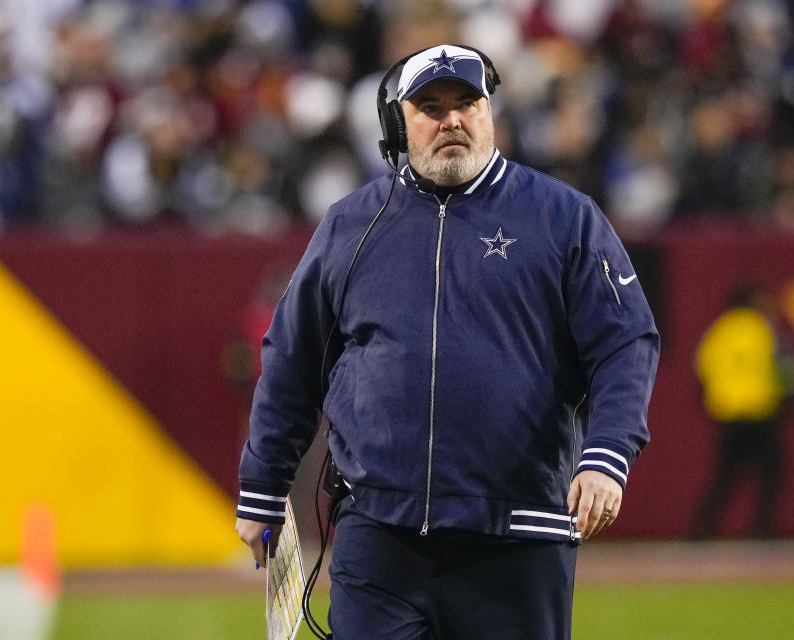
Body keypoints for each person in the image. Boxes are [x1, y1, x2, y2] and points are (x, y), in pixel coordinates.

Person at [235, 44, 659, 640]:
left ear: (490, 113)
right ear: (397, 124)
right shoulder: (350, 224)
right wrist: (263, 485)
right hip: (378, 532)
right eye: (430, 107)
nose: (451, 119)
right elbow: (292, 360)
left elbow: (626, 342)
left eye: (466, 103)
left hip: (517, 534)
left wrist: (607, 455)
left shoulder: (564, 217)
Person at [690, 284, 794, 540]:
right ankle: (763, 531)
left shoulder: (719, 331)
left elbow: (700, 372)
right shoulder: (767, 330)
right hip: (763, 416)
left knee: (723, 478)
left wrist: (714, 405)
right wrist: (786, 406)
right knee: (770, 476)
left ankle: (700, 531)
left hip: (729, 417)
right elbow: (790, 373)